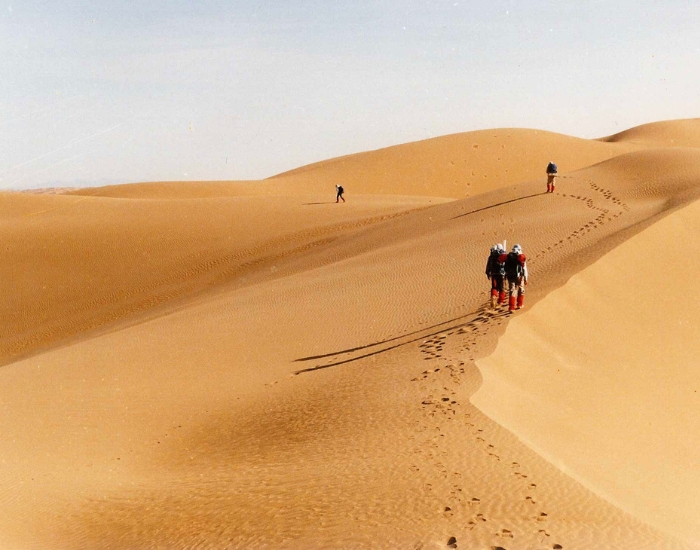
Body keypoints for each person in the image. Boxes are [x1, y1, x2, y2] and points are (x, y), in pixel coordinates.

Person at [503, 244, 528, 311]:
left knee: (512, 290)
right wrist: (525, 278)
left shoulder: (509, 257)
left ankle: (511, 307)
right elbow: (524, 268)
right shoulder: (520, 257)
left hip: (510, 276)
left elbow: (504, 266)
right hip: (519, 277)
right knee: (521, 289)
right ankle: (519, 304)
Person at [485, 243, 506, 308]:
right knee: (502, 288)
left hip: (493, 274)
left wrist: (488, 273)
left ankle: (494, 296)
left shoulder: (491, 257)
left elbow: (488, 266)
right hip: (501, 274)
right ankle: (500, 301)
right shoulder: (503, 255)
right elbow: (505, 265)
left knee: (494, 287)